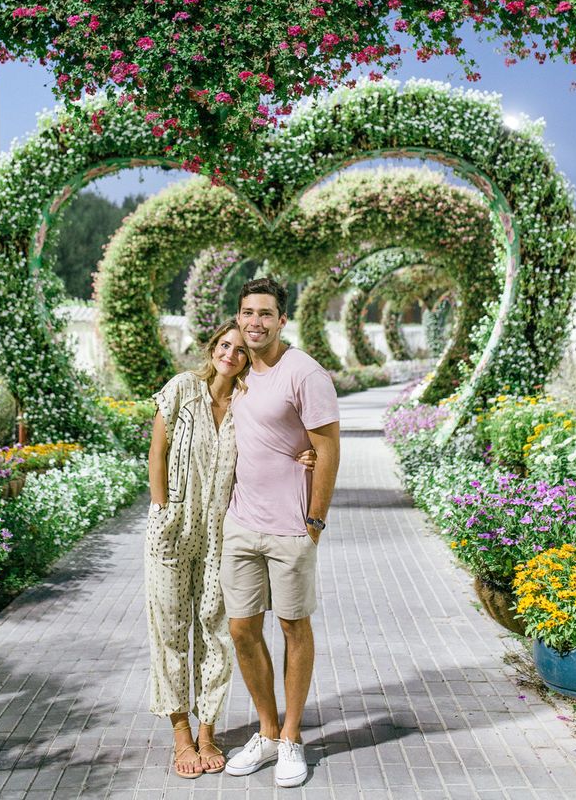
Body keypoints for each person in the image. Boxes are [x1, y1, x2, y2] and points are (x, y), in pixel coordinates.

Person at [145, 318, 316, 780]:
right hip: (174, 528)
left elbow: (282, 439)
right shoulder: (182, 389)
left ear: (248, 359)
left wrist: (307, 453)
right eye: (225, 345)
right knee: (170, 628)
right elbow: (156, 452)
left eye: (240, 350)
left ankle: (207, 731)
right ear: (212, 348)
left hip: (224, 532)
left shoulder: (247, 401)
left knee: (216, 629)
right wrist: (160, 510)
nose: (231, 354)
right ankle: (180, 733)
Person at [221, 277, 340, 788]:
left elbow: (329, 449)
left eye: (265, 313)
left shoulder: (305, 372)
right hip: (241, 526)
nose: (255, 322)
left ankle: (291, 738)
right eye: (247, 312)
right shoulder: (238, 371)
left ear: (282, 320)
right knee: (242, 629)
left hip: (292, 529)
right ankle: (266, 730)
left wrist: (314, 521)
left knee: (293, 627)